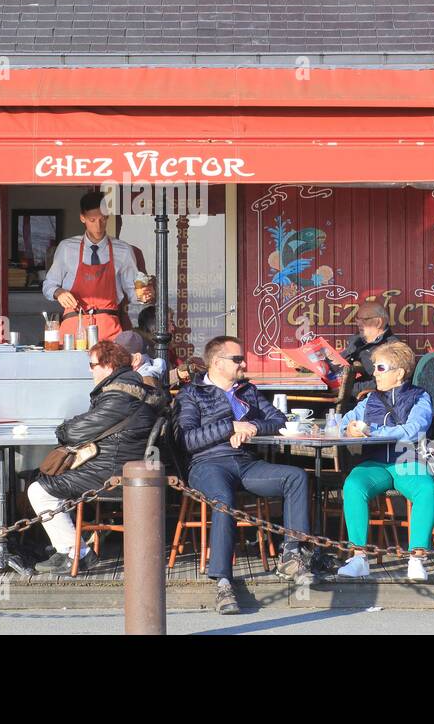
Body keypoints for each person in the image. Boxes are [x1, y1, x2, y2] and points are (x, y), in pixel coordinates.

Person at [177, 335, 313, 614]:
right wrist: (231, 427)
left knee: (296, 476)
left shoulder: (247, 390)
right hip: (207, 465)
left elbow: (278, 420)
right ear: (216, 362)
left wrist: (250, 426)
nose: (244, 363)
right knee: (224, 499)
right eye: (237, 359)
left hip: (246, 463)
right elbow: (187, 440)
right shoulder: (192, 393)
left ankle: (291, 554)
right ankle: (224, 582)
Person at [28, 339, 165, 573]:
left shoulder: (119, 396)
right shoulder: (129, 389)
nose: (90, 370)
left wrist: (62, 428)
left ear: (108, 366)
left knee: (39, 490)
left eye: (92, 365)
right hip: (119, 464)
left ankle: (76, 553)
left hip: (112, 471)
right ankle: (66, 545)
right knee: (41, 475)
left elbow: (73, 432)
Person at [335, 341, 434, 582]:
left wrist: (373, 432)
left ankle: (416, 559)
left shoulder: (420, 397)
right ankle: (359, 558)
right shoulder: (369, 400)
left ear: (399, 373)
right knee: (353, 485)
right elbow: (341, 423)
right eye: (374, 368)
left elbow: (414, 430)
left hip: (406, 459)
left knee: (426, 488)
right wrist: (348, 429)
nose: (374, 373)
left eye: (380, 368)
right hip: (375, 463)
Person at [43, 191, 155, 344]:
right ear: (82, 218)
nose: (98, 225)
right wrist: (59, 292)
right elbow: (48, 285)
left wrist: (143, 295)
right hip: (74, 325)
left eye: (102, 219)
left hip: (109, 326)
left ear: (107, 216)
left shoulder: (123, 250)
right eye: (92, 220)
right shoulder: (67, 248)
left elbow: (133, 292)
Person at [340, 299, 400, 401]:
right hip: (334, 394)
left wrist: (346, 388)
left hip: (361, 403)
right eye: (357, 318)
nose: (358, 323)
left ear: (378, 322)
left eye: (364, 319)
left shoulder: (391, 348)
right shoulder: (355, 341)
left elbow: (385, 382)